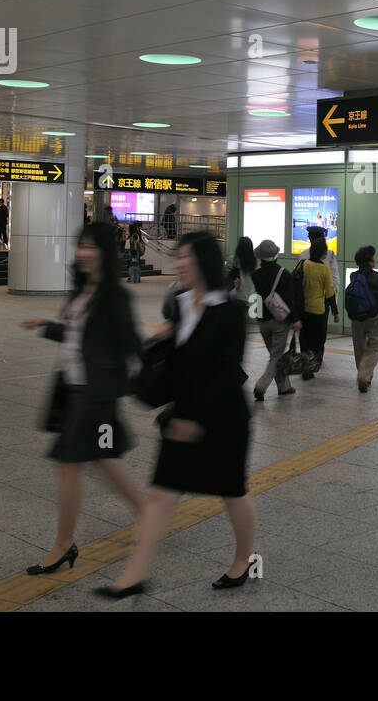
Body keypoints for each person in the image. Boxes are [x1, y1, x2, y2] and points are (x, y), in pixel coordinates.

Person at [103, 232, 256, 597]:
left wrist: (197, 419)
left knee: (232, 493)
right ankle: (135, 575)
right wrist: (157, 343)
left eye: (185, 257)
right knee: (160, 494)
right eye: (178, 257)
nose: (178, 264)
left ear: (202, 261)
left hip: (224, 419)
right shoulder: (179, 306)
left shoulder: (233, 312)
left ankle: (244, 558)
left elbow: (227, 373)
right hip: (182, 415)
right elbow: (170, 369)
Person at [18, 223, 144, 576]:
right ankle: (149, 515)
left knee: (68, 462)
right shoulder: (81, 292)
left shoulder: (115, 296)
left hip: (96, 393)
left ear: (105, 252)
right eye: (80, 246)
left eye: (91, 247)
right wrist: (45, 325)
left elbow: (132, 344)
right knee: (101, 460)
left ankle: (63, 545)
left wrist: (160, 392)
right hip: (74, 389)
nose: (83, 253)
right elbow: (78, 337)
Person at [250, 240, 302, 401]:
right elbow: (289, 299)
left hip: (263, 321)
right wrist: (295, 319)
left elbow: (259, 296)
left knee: (275, 356)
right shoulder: (284, 274)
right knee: (276, 356)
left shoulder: (255, 275)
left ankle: (284, 387)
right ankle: (261, 386)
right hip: (279, 321)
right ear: (276, 255)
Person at [346, 245, 378, 391]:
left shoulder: (354, 276)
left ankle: (365, 376)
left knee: (359, 348)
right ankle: (364, 376)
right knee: (374, 347)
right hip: (375, 318)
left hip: (356, 318)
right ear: (370, 260)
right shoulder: (377, 276)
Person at [296, 234, 338, 376]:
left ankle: (305, 366)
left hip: (304, 309)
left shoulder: (304, 264)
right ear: (323, 254)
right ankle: (313, 363)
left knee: (305, 337)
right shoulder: (325, 270)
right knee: (318, 339)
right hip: (319, 310)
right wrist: (335, 312)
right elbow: (330, 292)